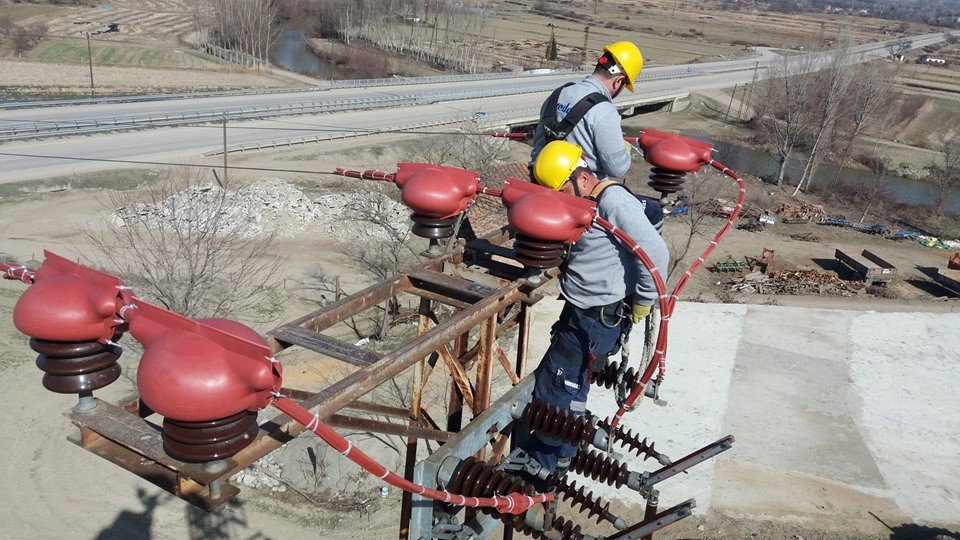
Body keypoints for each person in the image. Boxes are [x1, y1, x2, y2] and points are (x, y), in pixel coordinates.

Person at [520, 140, 669, 479]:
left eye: (565, 191)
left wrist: (644, 300)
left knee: (556, 392)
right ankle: (559, 456)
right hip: (582, 314)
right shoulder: (590, 200)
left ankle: (543, 471)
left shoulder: (613, 201)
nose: (565, 199)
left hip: (596, 320)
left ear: (583, 178)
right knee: (567, 385)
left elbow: (656, 254)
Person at [530, 41, 644, 181]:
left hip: (539, 179)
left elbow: (539, 142)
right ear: (618, 81)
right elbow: (617, 168)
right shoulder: (605, 111)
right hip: (579, 193)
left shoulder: (558, 94)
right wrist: (625, 148)